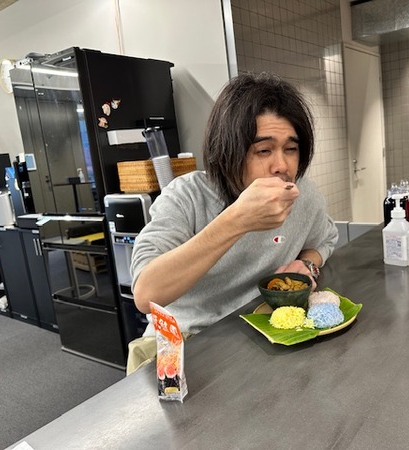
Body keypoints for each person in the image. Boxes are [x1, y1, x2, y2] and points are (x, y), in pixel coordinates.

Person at [130, 71, 338, 338]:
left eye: (290, 149)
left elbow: (325, 239)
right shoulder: (186, 196)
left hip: (263, 331)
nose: (282, 166)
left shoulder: (303, 193)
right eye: (264, 150)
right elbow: (146, 294)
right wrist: (237, 220)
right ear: (227, 151)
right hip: (186, 341)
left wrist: (307, 264)